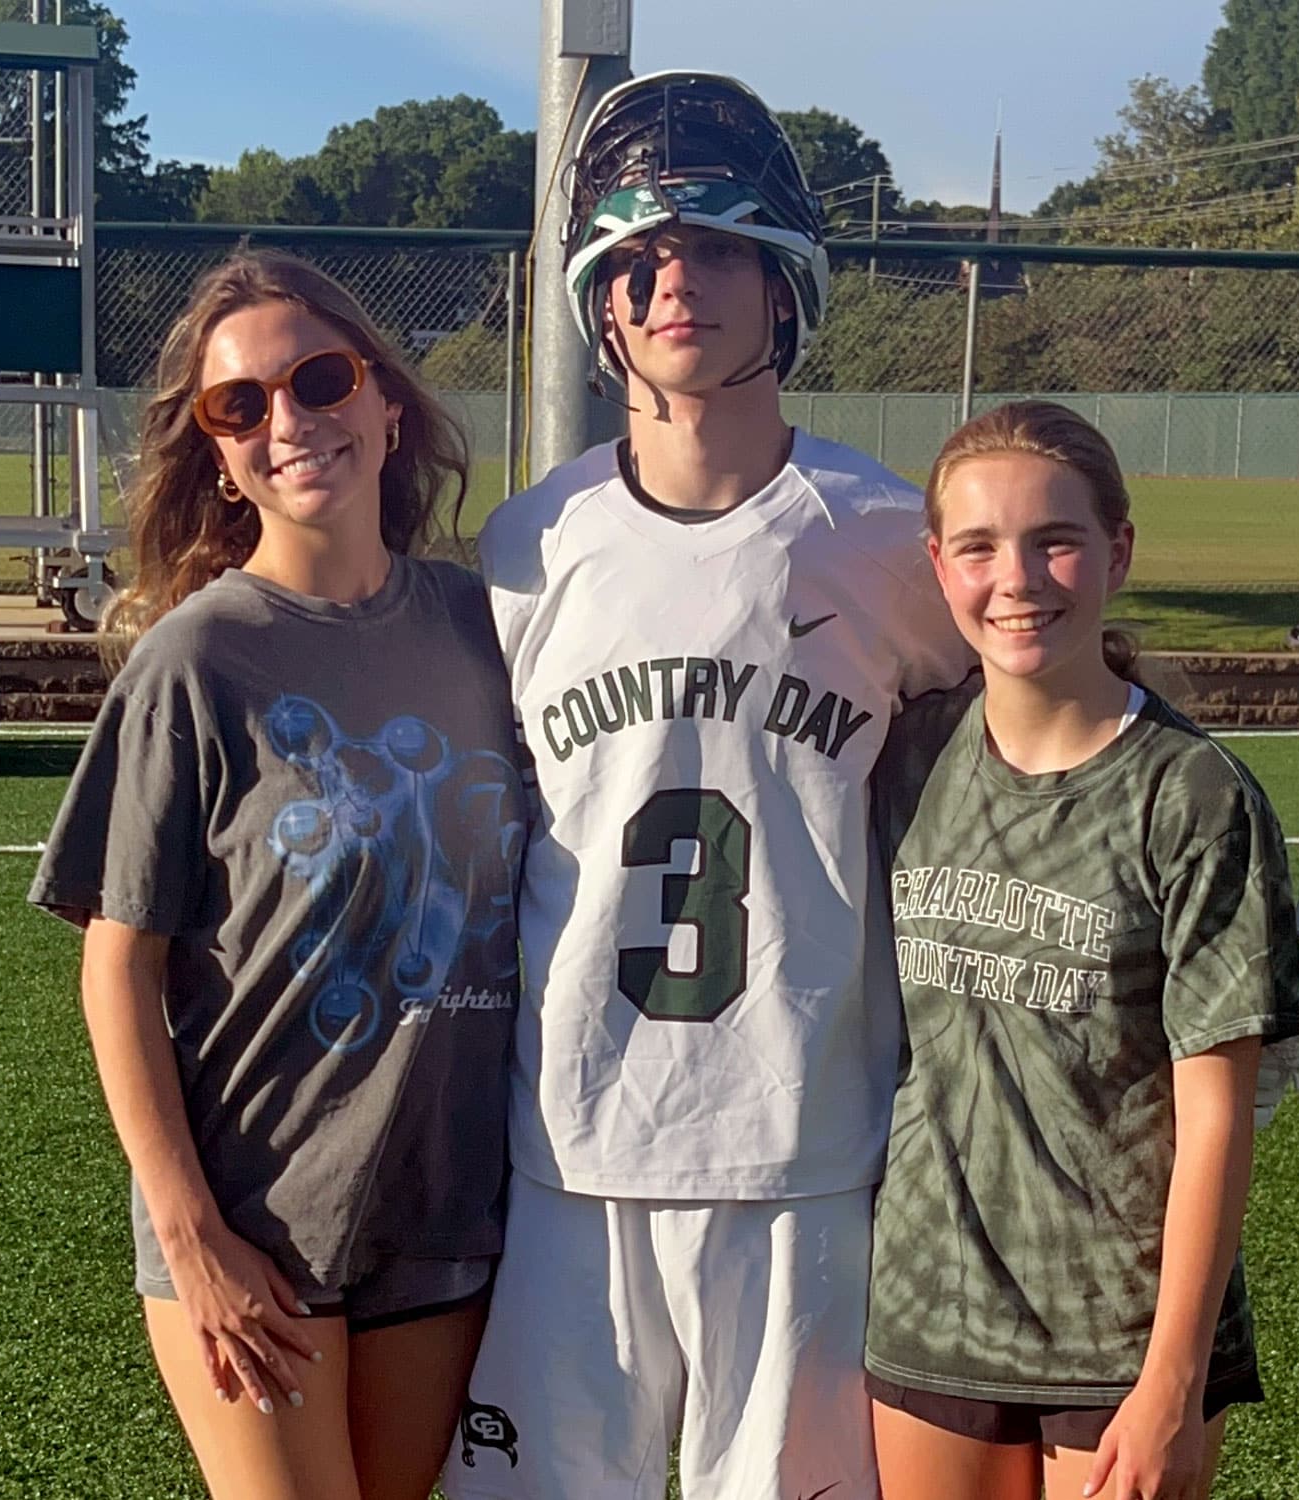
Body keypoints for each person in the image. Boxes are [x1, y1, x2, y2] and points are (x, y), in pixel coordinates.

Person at [446, 73, 970, 1500]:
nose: (682, 282)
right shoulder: (529, 547)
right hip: (572, 1139)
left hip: (800, 1138)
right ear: (599, 302)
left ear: (786, 280)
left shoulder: (881, 536)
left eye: (722, 247)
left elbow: (1039, 729)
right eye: (645, 258)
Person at [28, 248, 525, 1500]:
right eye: (237, 406)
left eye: (318, 380)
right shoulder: (197, 661)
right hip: (256, 1224)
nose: (286, 423)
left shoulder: (488, 629)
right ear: (215, 451)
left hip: (441, 1219)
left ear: (385, 403)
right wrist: (193, 1236)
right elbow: (117, 965)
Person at [864, 402, 1299, 1500]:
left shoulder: (1192, 797)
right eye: (976, 547)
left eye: (1053, 540)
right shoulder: (907, 753)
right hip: (927, 1304)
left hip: (1117, 1335)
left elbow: (1214, 1113)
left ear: (1115, 551)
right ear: (937, 563)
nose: (1016, 579)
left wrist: (1171, 1379)